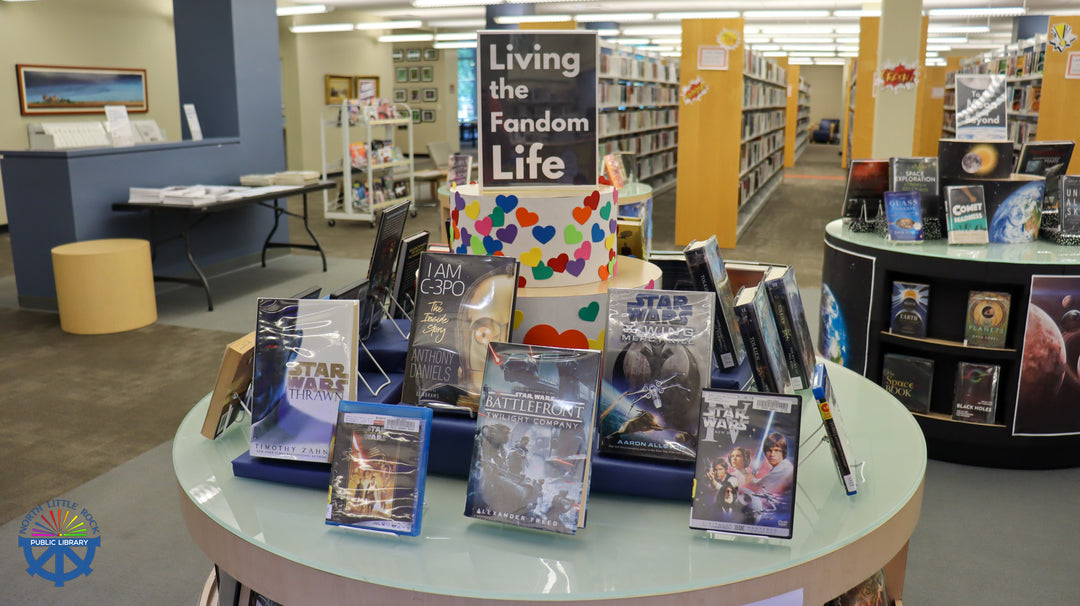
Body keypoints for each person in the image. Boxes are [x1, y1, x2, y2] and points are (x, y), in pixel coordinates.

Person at [752, 432, 794, 498]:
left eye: (776, 450)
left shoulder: (784, 468)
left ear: (783, 452)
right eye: (769, 450)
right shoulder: (779, 467)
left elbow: (758, 489)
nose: (772, 454)